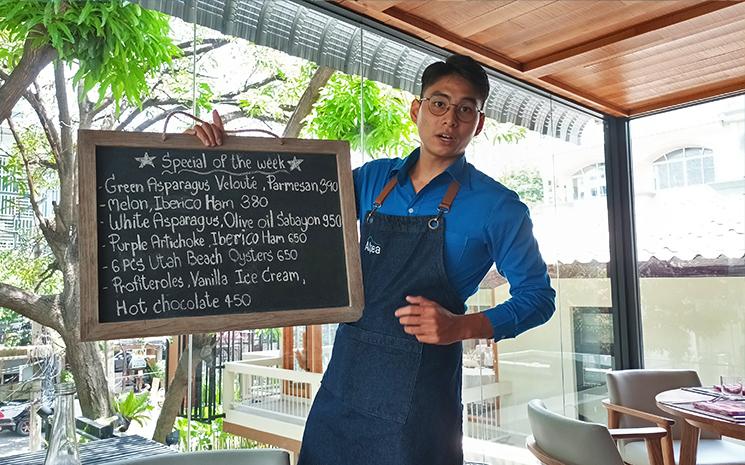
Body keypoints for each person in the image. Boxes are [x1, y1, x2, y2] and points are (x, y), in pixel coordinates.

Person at [191, 54, 555, 465]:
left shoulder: (499, 207)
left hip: (421, 399)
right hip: (345, 381)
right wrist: (221, 154)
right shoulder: (371, 180)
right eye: (439, 103)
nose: (450, 120)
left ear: (479, 122)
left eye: (465, 109)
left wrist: (460, 326)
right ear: (417, 109)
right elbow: (284, 199)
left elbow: (538, 298)